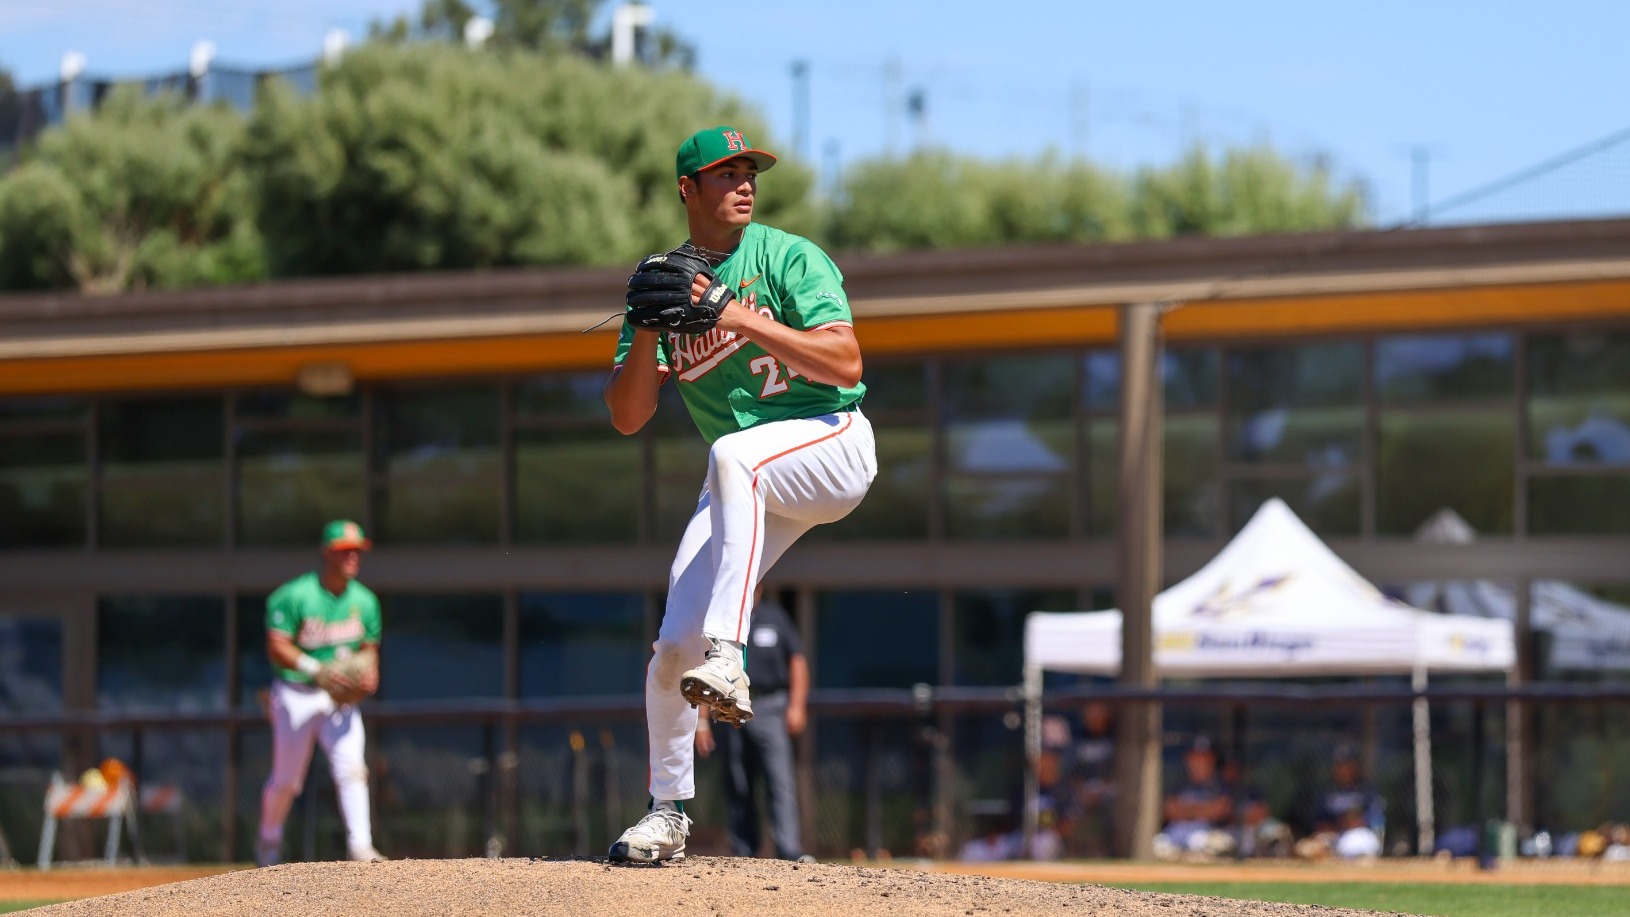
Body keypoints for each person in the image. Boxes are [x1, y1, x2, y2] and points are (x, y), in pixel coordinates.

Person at [603, 125, 877, 863]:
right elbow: (628, 416)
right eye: (725, 173)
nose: (745, 182)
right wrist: (646, 325)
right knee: (669, 649)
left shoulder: (787, 257)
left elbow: (845, 358)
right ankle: (667, 811)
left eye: (749, 170)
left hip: (833, 441)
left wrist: (733, 313)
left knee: (732, 454)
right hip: (749, 476)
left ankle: (730, 654)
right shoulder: (667, 283)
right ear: (687, 190)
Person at [256, 520, 385, 866]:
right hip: (297, 694)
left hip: (339, 701)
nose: (353, 556)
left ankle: (360, 847)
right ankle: (269, 842)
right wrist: (318, 669)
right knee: (287, 782)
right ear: (327, 553)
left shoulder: (365, 600)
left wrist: (369, 673)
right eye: (345, 550)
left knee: (352, 769)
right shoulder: (295, 595)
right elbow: (277, 646)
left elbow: (369, 648)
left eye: (357, 550)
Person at [694, 586, 812, 861]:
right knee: (738, 781)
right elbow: (704, 669)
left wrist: (797, 705)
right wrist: (702, 721)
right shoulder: (720, 623)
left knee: (779, 779)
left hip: (770, 706)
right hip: (730, 706)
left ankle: (789, 849)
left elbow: (797, 660)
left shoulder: (775, 617)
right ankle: (743, 851)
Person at [1295, 743, 1384, 860]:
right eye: (1340, 766)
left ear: (1355, 767)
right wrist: (1338, 824)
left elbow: (1373, 817)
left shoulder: (1366, 791)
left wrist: (1352, 822)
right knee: (1305, 849)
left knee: (1358, 845)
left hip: (1359, 834)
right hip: (1334, 835)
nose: (1343, 770)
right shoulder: (1327, 792)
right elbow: (1319, 821)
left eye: (1347, 765)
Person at [1154, 736, 1235, 859]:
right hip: (1177, 833)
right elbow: (1168, 810)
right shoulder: (1180, 784)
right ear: (1188, 759)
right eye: (1195, 757)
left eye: (1204, 757)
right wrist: (1202, 809)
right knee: (1156, 845)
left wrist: (1185, 810)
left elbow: (1220, 809)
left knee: (1214, 843)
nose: (1199, 762)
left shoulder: (1220, 785)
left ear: (1213, 759)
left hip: (1207, 833)